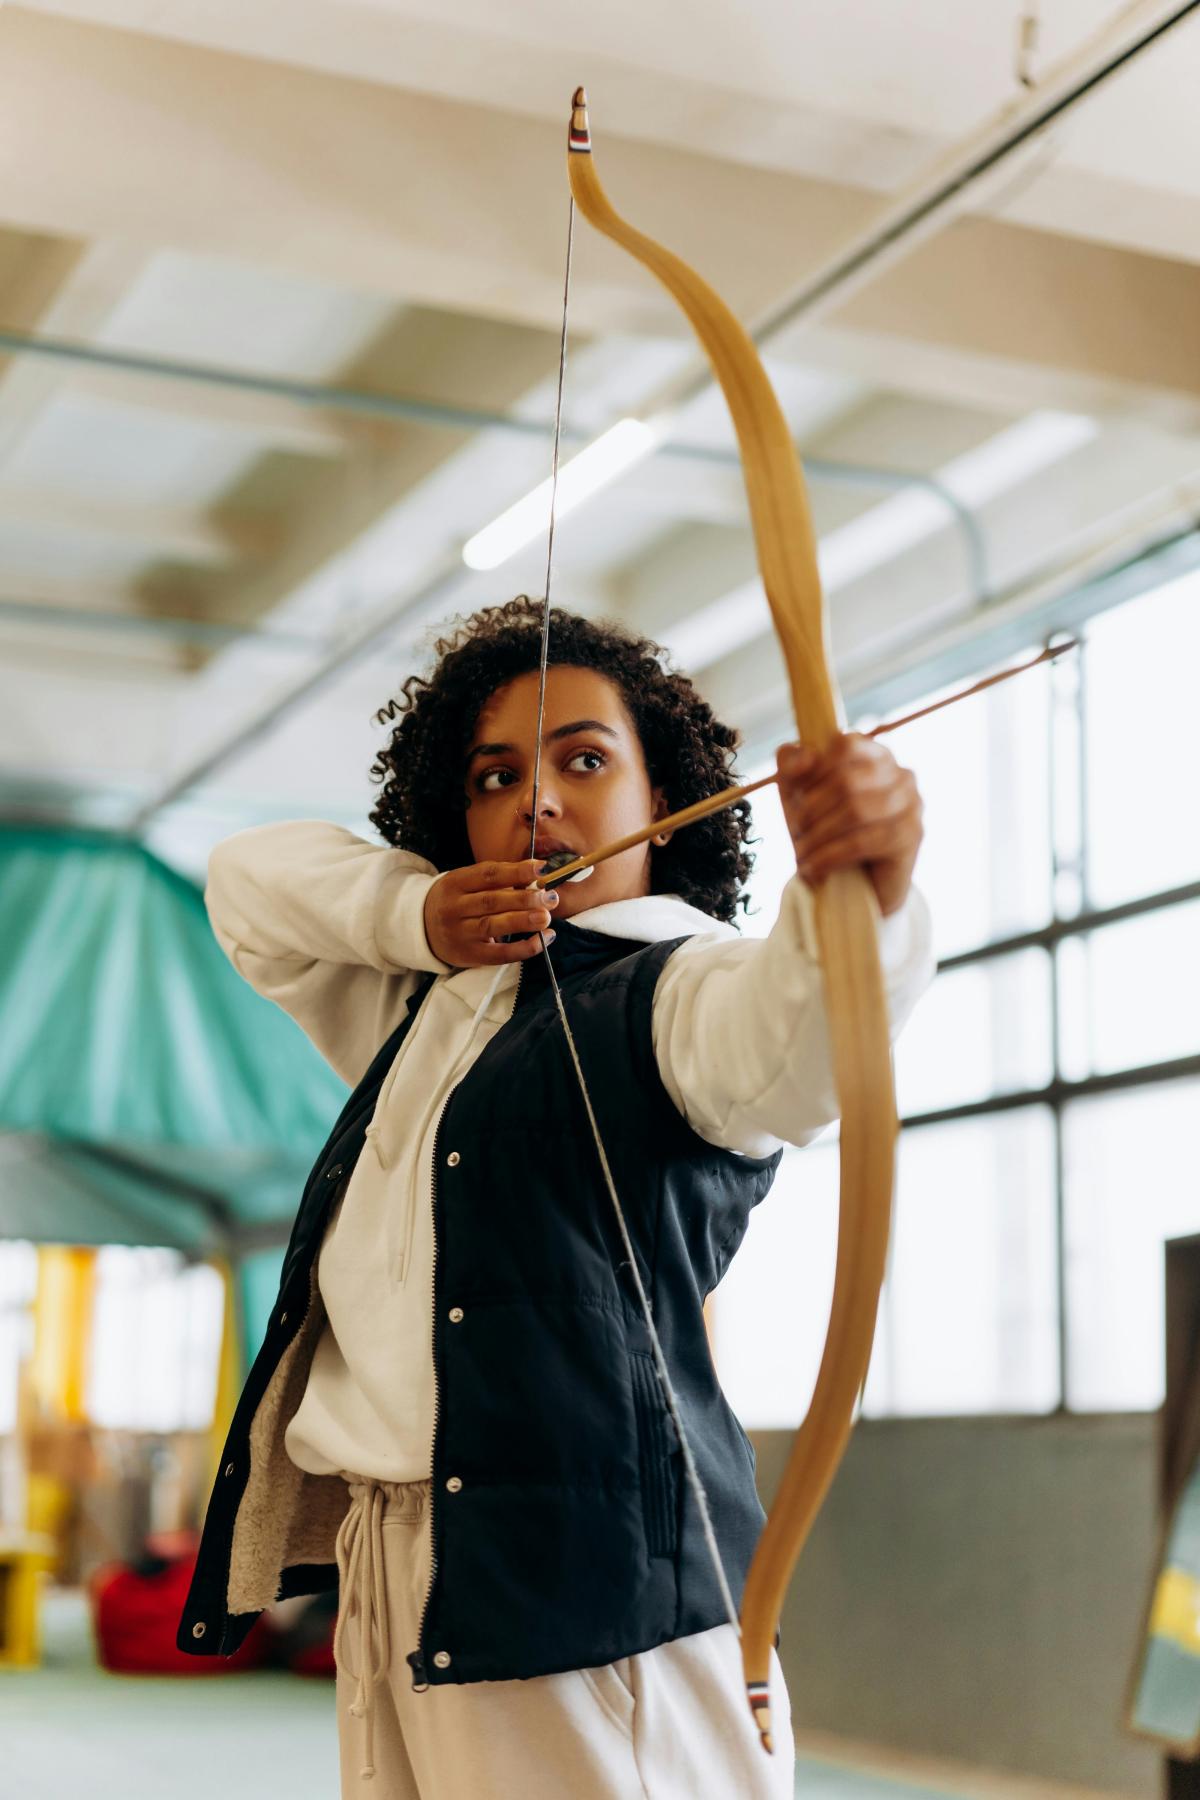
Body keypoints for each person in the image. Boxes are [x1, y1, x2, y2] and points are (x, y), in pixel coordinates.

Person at [178, 596, 933, 1799]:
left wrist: (865, 892)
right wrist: (414, 913)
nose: (535, 802)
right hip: (404, 1568)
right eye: (493, 777)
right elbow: (245, 885)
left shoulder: (677, 992)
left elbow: (798, 1047)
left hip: (585, 1591)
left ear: (659, 801)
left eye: (586, 760)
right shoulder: (423, 1002)